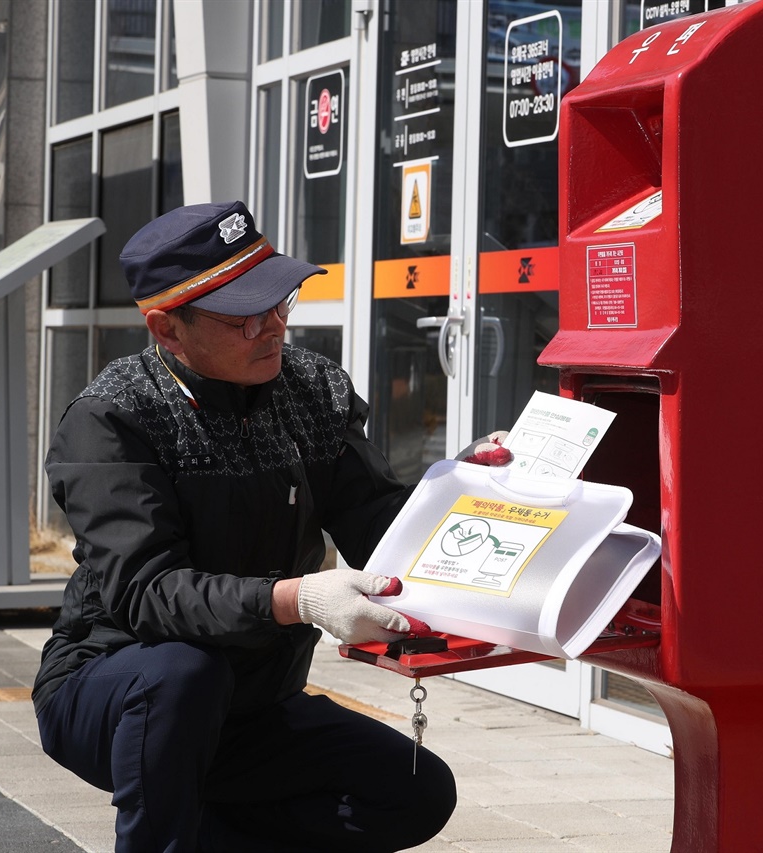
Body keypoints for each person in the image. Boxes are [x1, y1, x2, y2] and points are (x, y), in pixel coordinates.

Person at [33, 201, 508, 852]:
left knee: (415, 790)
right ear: (168, 329)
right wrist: (301, 598)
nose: (274, 326)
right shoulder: (114, 417)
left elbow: (379, 523)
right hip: (118, 685)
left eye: (282, 301)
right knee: (184, 675)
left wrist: (469, 492)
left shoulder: (311, 389)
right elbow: (148, 593)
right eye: (244, 315)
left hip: (254, 702)